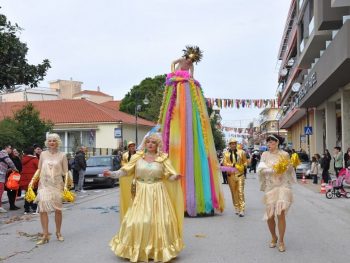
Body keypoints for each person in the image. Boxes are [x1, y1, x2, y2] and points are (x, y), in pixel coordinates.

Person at [158, 45, 224, 216]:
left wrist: (190, 79)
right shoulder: (180, 62)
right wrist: (173, 73)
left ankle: (193, 201)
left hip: (186, 87)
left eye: (191, 60)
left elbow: (193, 75)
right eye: (188, 58)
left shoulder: (190, 68)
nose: (188, 61)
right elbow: (172, 63)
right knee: (178, 111)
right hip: (179, 86)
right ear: (186, 56)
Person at [104, 134, 184, 262]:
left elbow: (168, 175)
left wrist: (175, 177)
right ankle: (137, 250)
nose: (150, 144)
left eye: (153, 142)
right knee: (137, 221)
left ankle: (157, 251)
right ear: (145, 144)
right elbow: (125, 171)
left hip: (158, 192)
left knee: (161, 222)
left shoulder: (163, 159)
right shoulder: (137, 158)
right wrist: (112, 174)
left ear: (157, 145)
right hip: (141, 193)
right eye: (148, 142)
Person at [257, 134, 296, 253]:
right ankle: (274, 236)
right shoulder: (264, 154)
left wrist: (287, 166)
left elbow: (290, 170)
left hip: (282, 186)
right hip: (270, 187)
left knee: (281, 213)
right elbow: (260, 169)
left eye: (271, 142)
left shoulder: (284, 154)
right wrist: (273, 169)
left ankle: (281, 241)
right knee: (270, 215)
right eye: (268, 143)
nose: (269, 145)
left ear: (277, 143)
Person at [28, 133, 69, 245]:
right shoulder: (43, 154)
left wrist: (66, 186)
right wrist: (32, 181)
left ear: (58, 142)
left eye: (54, 140)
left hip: (57, 185)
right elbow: (39, 169)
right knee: (42, 210)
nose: (52, 142)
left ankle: (58, 232)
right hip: (44, 184)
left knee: (58, 210)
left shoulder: (62, 155)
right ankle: (45, 234)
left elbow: (66, 172)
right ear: (47, 142)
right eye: (50, 140)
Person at [222, 138, 248, 217]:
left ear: (236, 144)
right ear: (229, 145)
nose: (233, 145)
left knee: (240, 192)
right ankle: (236, 207)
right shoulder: (226, 154)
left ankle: (242, 209)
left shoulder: (242, 152)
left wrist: (242, 167)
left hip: (240, 175)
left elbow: (246, 162)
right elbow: (224, 164)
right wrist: (233, 166)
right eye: (231, 144)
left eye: (234, 143)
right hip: (230, 176)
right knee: (233, 192)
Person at [20, 146, 39, 214]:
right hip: (33, 179)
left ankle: (26, 209)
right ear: (32, 152)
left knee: (27, 193)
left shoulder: (23, 159)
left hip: (25, 179)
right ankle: (34, 207)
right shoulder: (35, 159)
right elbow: (39, 168)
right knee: (34, 193)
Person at [0, 145, 18, 213]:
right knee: (0, 192)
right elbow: (9, 162)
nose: (11, 150)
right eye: (10, 148)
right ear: (6, 148)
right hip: (0, 175)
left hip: (1, 174)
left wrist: (9, 169)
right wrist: (15, 169)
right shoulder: (3, 153)